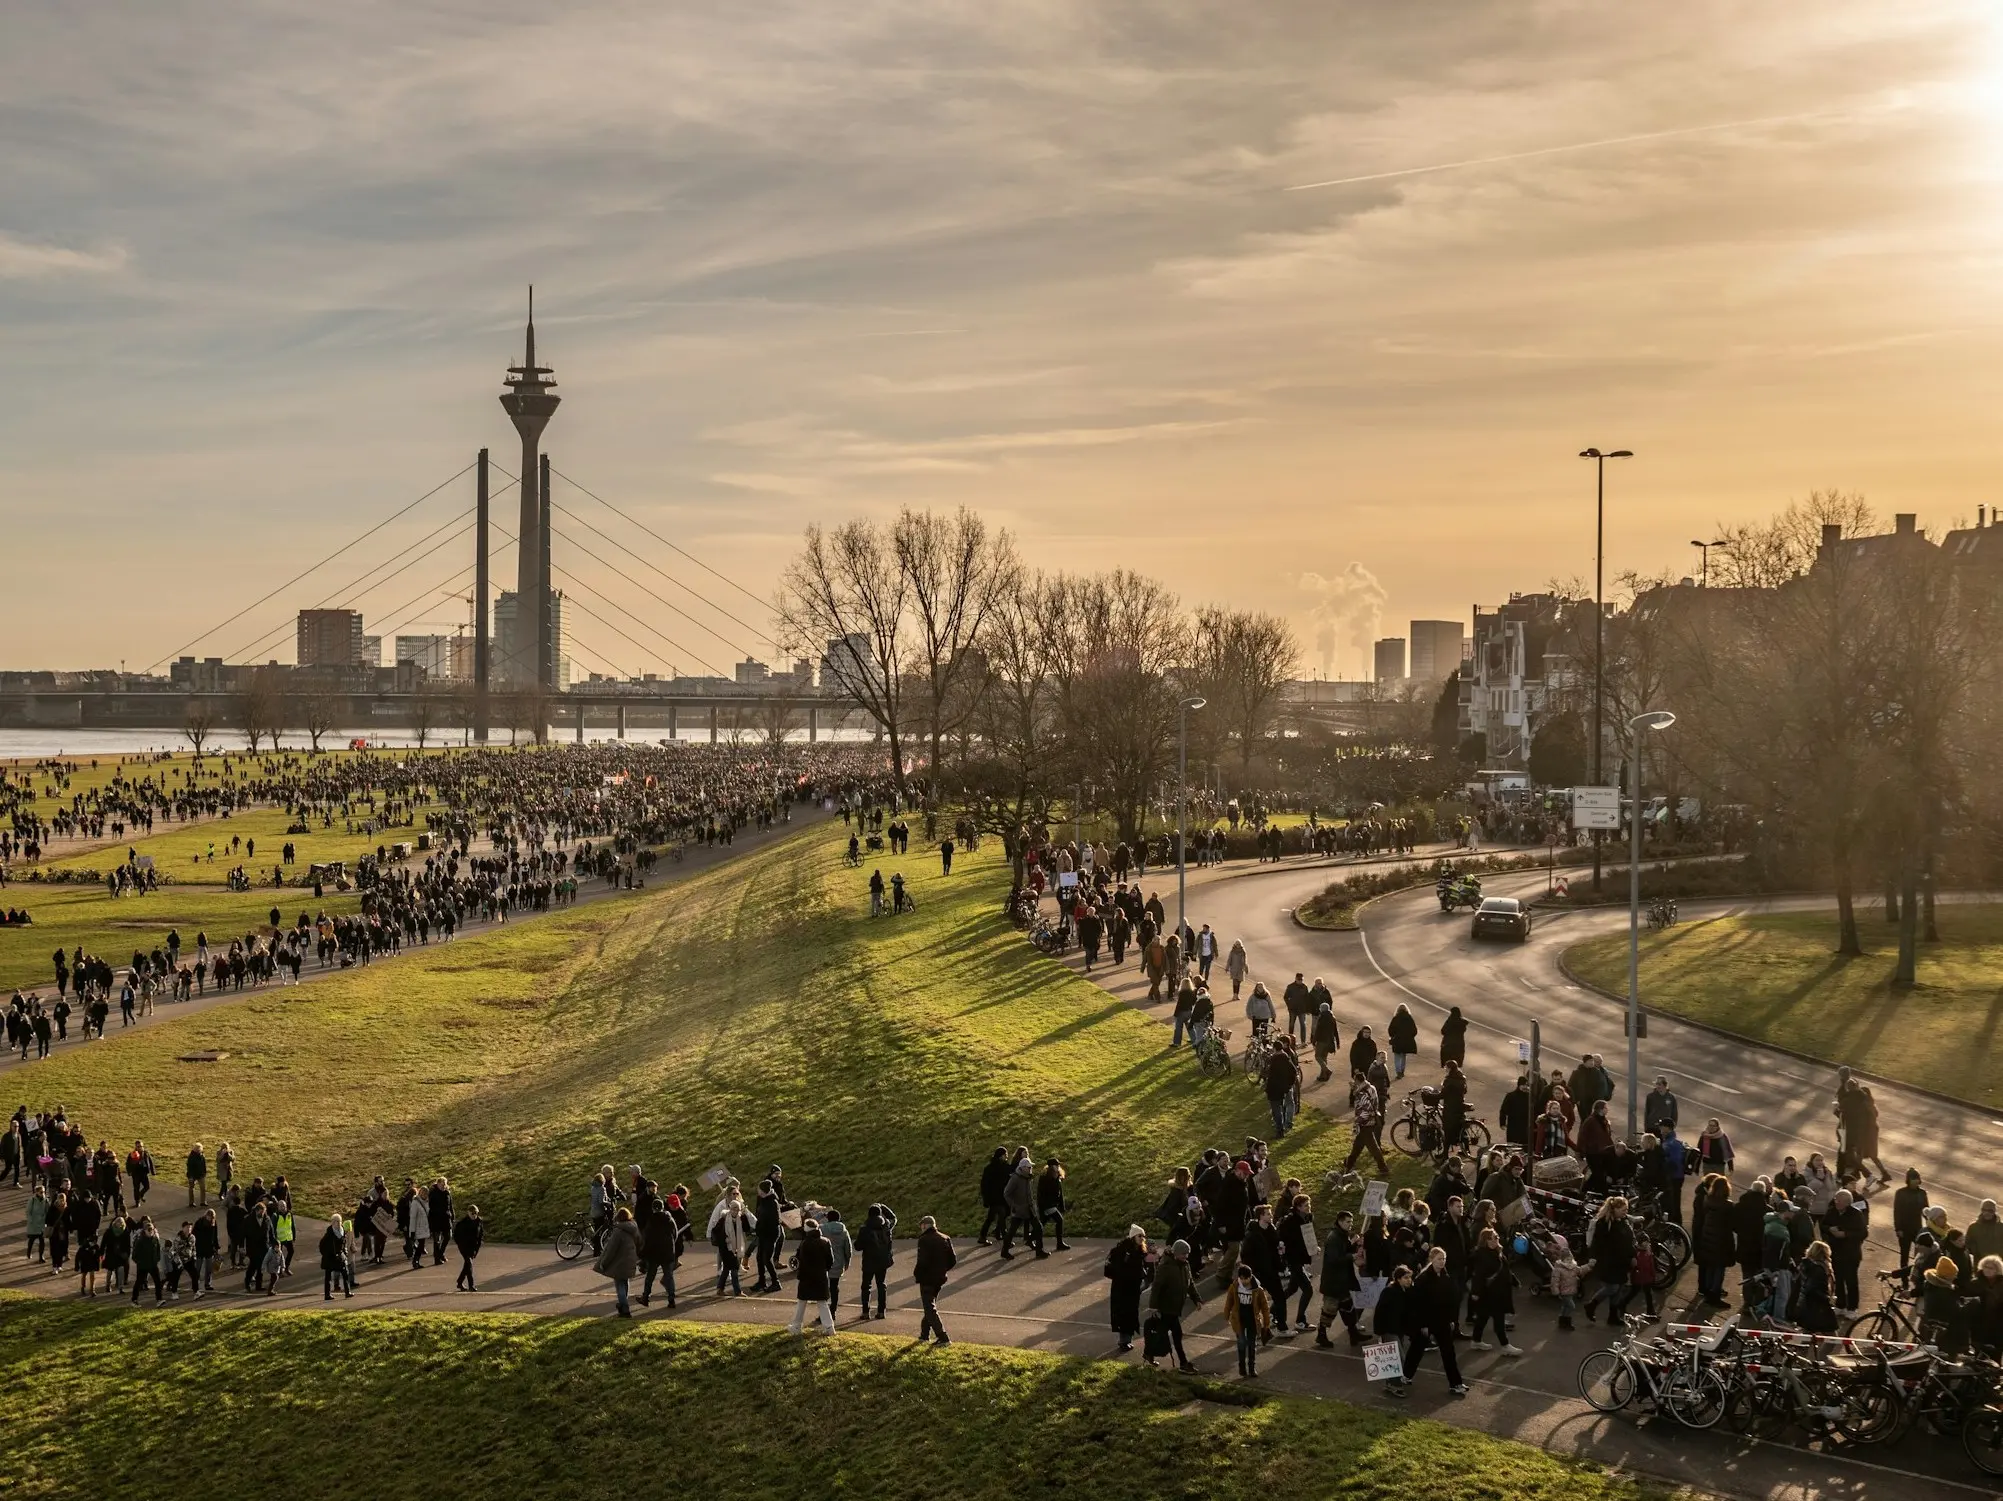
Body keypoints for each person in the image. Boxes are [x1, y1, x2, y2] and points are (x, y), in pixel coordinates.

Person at [1390, 1246, 1467, 1398]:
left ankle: (1455, 1383)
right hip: (1427, 1321)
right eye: (1439, 1259)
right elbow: (1418, 1304)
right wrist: (1422, 1324)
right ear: (1431, 1260)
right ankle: (1406, 1375)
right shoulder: (1423, 1279)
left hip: (1442, 1321)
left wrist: (1452, 1320)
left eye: (1444, 1259)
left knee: (1448, 1352)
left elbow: (1451, 1300)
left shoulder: (1445, 1276)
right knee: (1416, 1349)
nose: (1442, 1262)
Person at [1147, 1239, 1202, 1372]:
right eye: (1183, 1254)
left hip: (1175, 1307)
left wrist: (1197, 1299)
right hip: (1166, 1307)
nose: (1186, 1256)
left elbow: (1190, 1284)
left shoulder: (1185, 1265)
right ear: (1176, 1253)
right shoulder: (1166, 1266)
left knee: (1162, 1334)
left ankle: (1149, 1354)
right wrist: (1153, 1306)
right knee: (1176, 1334)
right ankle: (1183, 1363)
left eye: (1187, 1254)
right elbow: (1156, 1286)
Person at [1467, 1225, 1522, 1354]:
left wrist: (1514, 1281)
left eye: (1496, 1237)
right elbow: (1478, 1275)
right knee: (1498, 1319)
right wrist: (1475, 1292)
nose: (1494, 1240)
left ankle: (1476, 1340)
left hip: (1497, 1292)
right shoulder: (1482, 1255)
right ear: (1485, 1241)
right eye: (1491, 1239)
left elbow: (1506, 1270)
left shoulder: (1498, 1253)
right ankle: (1505, 1345)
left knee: (1482, 1317)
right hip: (1490, 1293)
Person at [1580, 1197, 1636, 1324]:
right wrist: (1593, 1258)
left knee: (1619, 1287)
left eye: (1626, 1209)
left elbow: (1629, 1240)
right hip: (1608, 1262)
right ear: (1614, 1209)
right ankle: (1591, 1305)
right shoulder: (1604, 1224)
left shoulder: (1623, 1221)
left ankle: (1613, 1316)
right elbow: (1597, 1243)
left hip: (1622, 1261)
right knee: (1612, 1287)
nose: (1625, 1212)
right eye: (1623, 1210)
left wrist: (1632, 1255)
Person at [1105, 1225, 1150, 1352]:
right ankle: (1124, 1341)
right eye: (1139, 1236)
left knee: (1130, 1313)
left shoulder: (1138, 1251)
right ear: (1133, 1237)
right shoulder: (1124, 1251)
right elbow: (1121, 1269)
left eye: (1143, 1236)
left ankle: (1126, 1340)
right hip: (1123, 1288)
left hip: (1132, 1287)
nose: (1142, 1238)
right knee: (1125, 1314)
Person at [789, 1218, 838, 1335]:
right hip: (821, 1276)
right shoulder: (825, 1242)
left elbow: (799, 1260)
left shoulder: (804, 1243)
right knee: (822, 1302)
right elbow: (830, 1260)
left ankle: (796, 1326)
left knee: (802, 1302)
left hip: (806, 1277)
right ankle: (829, 1328)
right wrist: (824, 1269)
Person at [913, 1214, 957, 1345]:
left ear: (925, 1226)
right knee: (930, 1306)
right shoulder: (945, 1238)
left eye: (921, 1226)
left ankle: (943, 1337)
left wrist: (917, 1274)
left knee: (929, 1308)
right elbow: (953, 1260)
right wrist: (942, 1269)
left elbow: (922, 1261)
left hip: (927, 1278)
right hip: (940, 1278)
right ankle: (924, 1334)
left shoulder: (924, 1240)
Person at [595, 1204, 644, 1317]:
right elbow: (639, 1243)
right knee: (625, 1282)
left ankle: (624, 1308)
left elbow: (611, 1250)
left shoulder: (618, 1231)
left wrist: (603, 1263)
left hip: (619, 1262)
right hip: (630, 1260)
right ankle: (623, 1304)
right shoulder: (634, 1228)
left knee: (619, 1285)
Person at [707, 1180, 753, 1296]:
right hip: (726, 1248)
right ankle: (737, 1291)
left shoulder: (739, 1218)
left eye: (737, 1210)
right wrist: (725, 1240)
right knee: (734, 1270)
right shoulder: (723, 1219)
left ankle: (719, 1289)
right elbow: (716, 1231)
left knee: (727, 1269)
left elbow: (747, 1228)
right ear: (729, 1209)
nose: (735, 1211)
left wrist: (744, 1216)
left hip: (735, 1246)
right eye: (733, 1209)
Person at [1227, 1262, 1272, 1378]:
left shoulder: (1258, 1290)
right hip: (1239, 1318)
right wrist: (1226, 1314)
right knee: (1241, 1342)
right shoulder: (1235, 1287)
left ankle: (1251, 1368)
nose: (1243, 1281)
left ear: (1250, 1277)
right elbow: (1229, 1301)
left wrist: (1266, 1323)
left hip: (1252, 1319)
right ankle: (1242, 1367)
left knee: (1252, 1344)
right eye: (1241, 1278)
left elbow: (1265, 1307)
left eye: (1245, 1279)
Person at [1343, 1072, 1389, 1176]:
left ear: (1358, 1081)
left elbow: (1366, 1109)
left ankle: (1383, 1168)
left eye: (1355, 1081)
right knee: (1357, 1146)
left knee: (1373, 1148)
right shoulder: (1371, 1087)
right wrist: (1355, 1090)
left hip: (1365, 1123)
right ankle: (1348, 1164)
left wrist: (1357, 1122)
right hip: (1371, 1121)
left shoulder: (1362, 1094)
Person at [1893, 1170, 1930, 1273]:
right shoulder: (1901, 1193)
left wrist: (1930, 1224)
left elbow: (1926, 1210)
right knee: (1904, 1255)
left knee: (1920, 1254)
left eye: (1917, 1179)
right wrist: (1898, 1228)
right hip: (1904, 1229)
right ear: (1908, 1180)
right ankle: (1904, 1279)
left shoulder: (1922, 1193)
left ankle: (1917, 1275)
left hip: (1917, 1228)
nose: (1915, 1181)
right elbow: (1897, 1211)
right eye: (1913, 1179)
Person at [977, 1148, 1011, 1245]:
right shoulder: (1003, 1167)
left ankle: (986, 1235)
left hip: (994, 1197)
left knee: (992, 1217)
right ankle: (1004, 1236)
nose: (1007, 1157)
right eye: (1005, 1155)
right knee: (1002, 1214)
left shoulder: (989, 1168)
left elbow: (983, 1184)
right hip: (999, 1197)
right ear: (1001, 1156)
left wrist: (986, 1198)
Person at [1036, 1158, 1071, 1251]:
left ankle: (1031, 1238)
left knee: (1041, 1224)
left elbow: (1060, 1194)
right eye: (1056, 1165)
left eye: (1058, 1165)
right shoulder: (1044, 1178)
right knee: (1059, 1220)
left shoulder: (1057, 1177)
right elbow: (1041, 1194)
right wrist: (1043, 1207)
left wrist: (1062, 1206)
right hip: (1047, 1205)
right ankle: (1059, 1243)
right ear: (1051, 1167)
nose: (1058, 1167)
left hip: (1052, 1204)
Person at [320, 1215, 353, 1300]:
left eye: (340, 1221)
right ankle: (327, 1295)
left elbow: (344, 1243)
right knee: (328, 1277)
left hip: (340, 1256)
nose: (339, 1223)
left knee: (345, 1274)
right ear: (332, 1222)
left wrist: (344, 1253)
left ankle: (347, 1292)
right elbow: (321, 1246)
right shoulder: (329, 1234)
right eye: (337, 1221)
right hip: (330, 1258)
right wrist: (327, 1254)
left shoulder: (342, 1232)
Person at [453, 1205, 484, 1292]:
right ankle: (471, 1285)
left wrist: (477, 1248)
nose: (474, 1215)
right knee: (469, 1263)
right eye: (472, 1213)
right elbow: (456, 1236)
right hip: (464, 1246)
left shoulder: (479, 1221)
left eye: (476, 1213)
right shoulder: (463, 1223)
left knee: (467, 1265)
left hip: (473, 1247)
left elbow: (481, 1234)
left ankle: (459, 1282)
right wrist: (460, 1244)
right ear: (468, 1213)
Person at [1387, 1004, 1418, 1079]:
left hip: (1397, 1041)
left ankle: (1398, 1072)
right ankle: (1402, 1071)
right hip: (1407, 1041)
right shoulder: (1409, 1018)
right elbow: (1414, 1030)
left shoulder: (1396, 1018)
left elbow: (1390, 1030)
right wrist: (1410, 1037)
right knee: (1403, 1056)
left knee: (1397, 1056)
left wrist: (1393, 1036)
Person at [1310, 1003, 1338, 1083]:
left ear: (1322, 1009)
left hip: (1322, 1040)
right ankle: (1323, 1076)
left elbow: (1318, 1030)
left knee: (1318, 1056)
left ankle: (1327, 1070)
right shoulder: (1333, 1018)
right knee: (1324, 1058)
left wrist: (1314, 1040)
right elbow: (1335, 1031)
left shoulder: (1321, 1017)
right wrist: (1338, 1042)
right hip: (1330, 1041)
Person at [1438, 1005, 1467, 1070]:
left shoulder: (1450, 1021)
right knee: (1458, 1059)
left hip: (1448, 1043)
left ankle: (1448, 1070)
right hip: (1459, 1044)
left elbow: (1443, 1031)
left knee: (1447, 1058)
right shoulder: (1462, 1022)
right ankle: (1456, 1069)